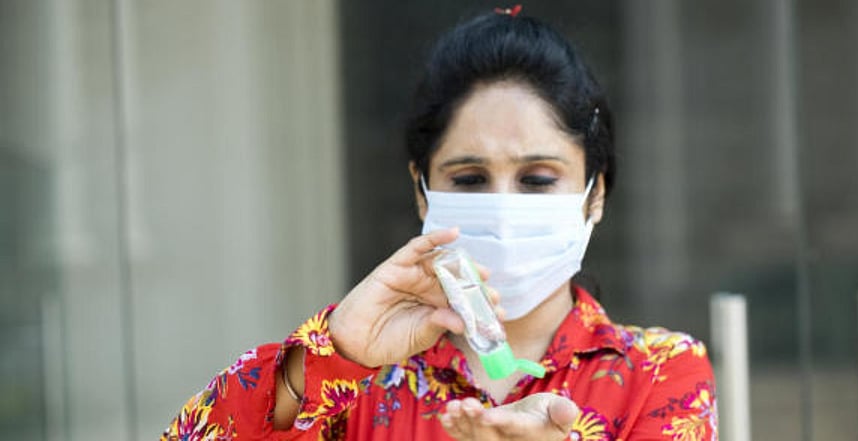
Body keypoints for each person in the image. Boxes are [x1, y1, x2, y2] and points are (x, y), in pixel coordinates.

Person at [162, 7, 716, 441]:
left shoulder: (658, 374)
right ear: (422, 193)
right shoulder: (359, 377)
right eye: (470, 179)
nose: (501, 208)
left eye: (538, 179)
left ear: (595, 194)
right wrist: (332, 356)